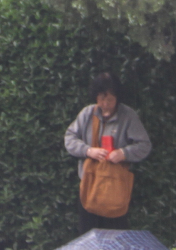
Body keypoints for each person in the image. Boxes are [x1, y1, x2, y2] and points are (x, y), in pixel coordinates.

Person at [61, 72, 152, 231]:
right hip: (89, 185)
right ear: (95, 97)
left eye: (109, 99)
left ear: (117, 98)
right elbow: (69, 137)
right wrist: (88, 150)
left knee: (115, 235)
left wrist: (123, 153)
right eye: (101, 99)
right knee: (87, 234)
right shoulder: (87, 113)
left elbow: (144, 145)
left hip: (115, 186)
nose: (105, 103)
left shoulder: (127, 115)